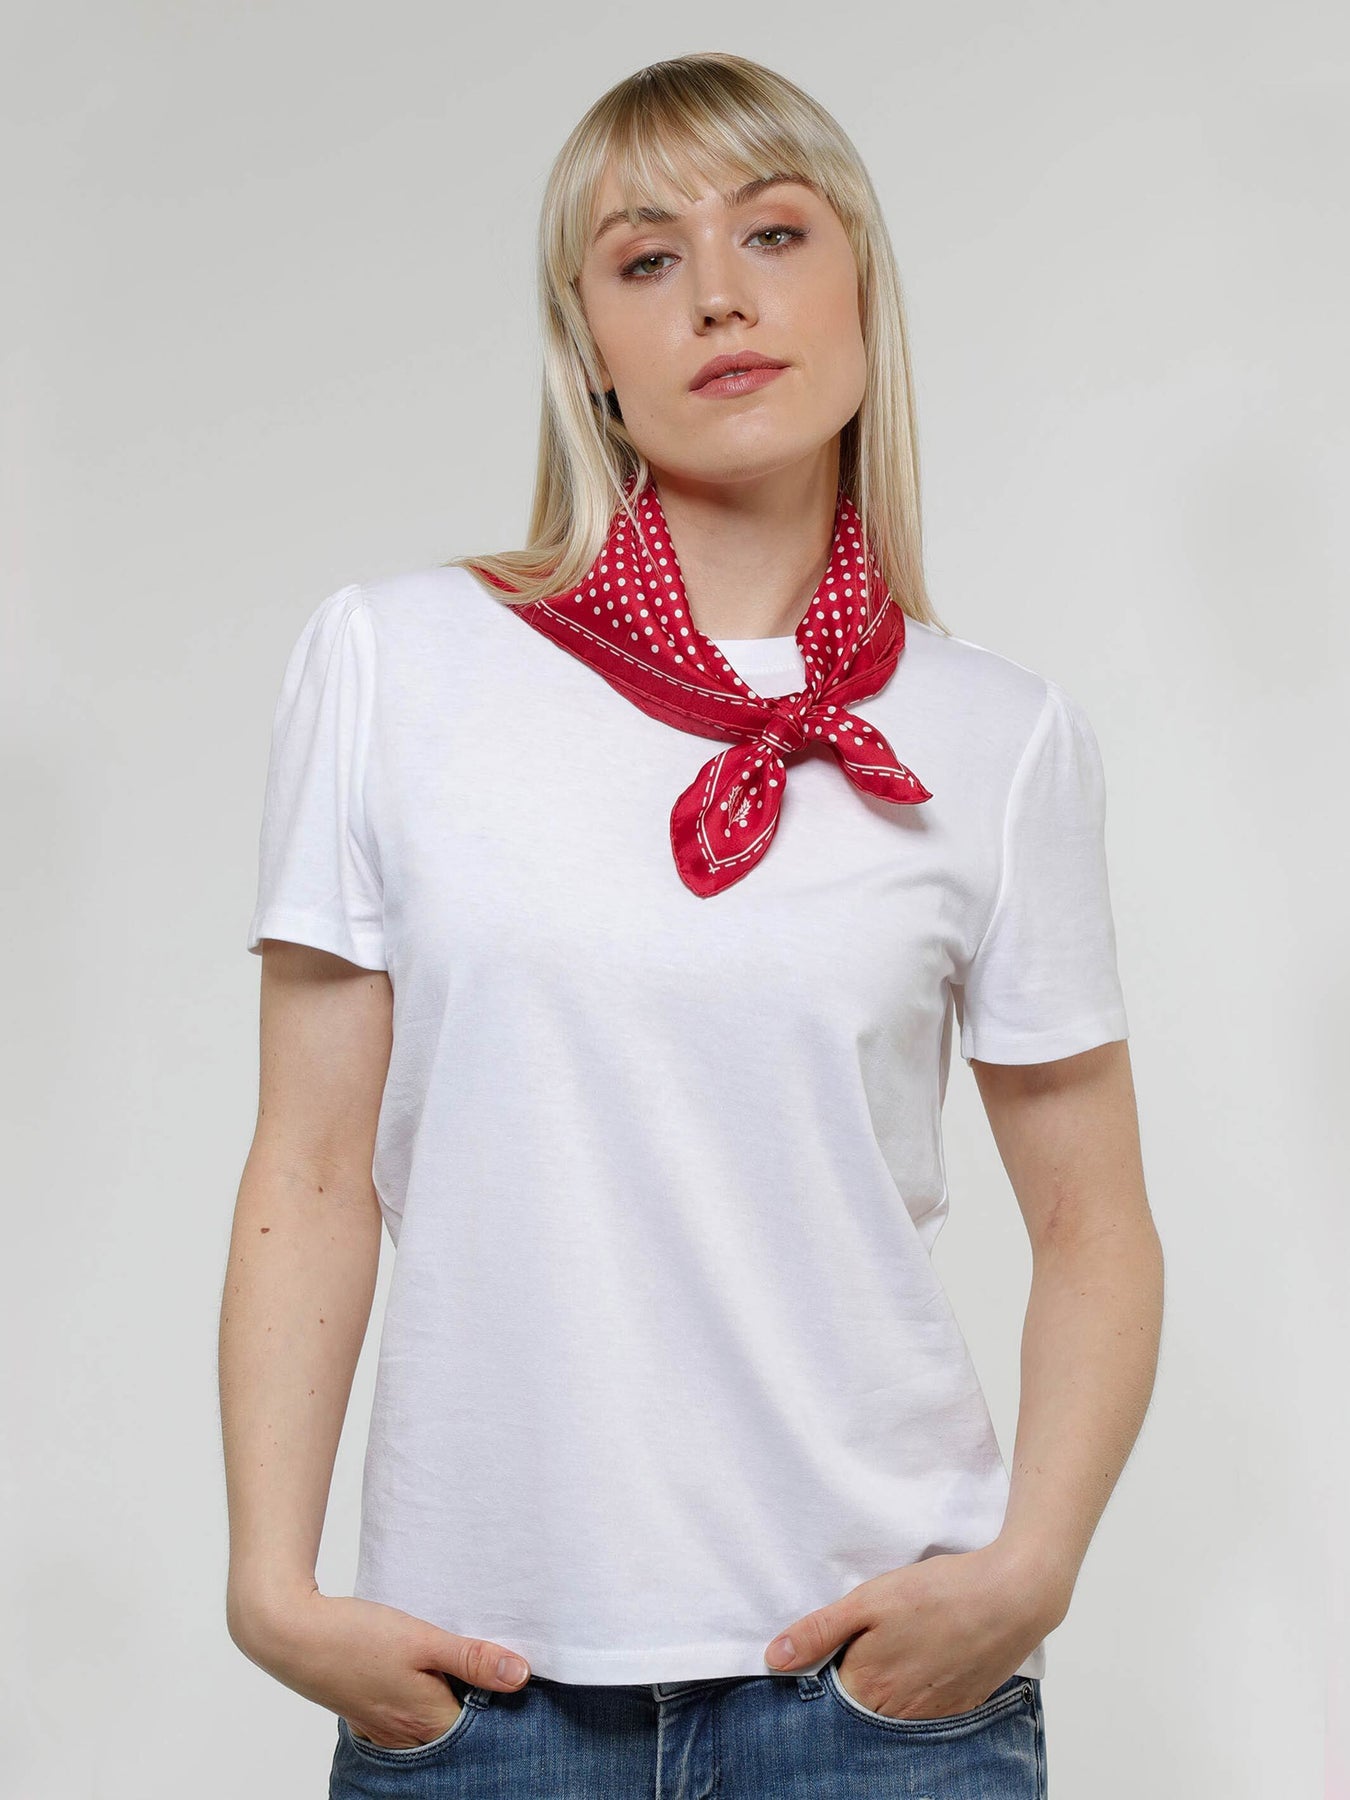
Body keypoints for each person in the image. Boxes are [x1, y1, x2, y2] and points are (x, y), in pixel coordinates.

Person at [219, 51, 1162, 1799]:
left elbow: (1093, 1220)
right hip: (483, 1692)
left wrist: (1026, 1571)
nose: (718, 293)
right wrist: (275, 1591)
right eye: (645, 257)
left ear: (861, 285)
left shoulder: (1000, 735)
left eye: (774, 232)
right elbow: (312, 1166)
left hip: (875, 1702)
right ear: (587, 344)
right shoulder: (394, 662)